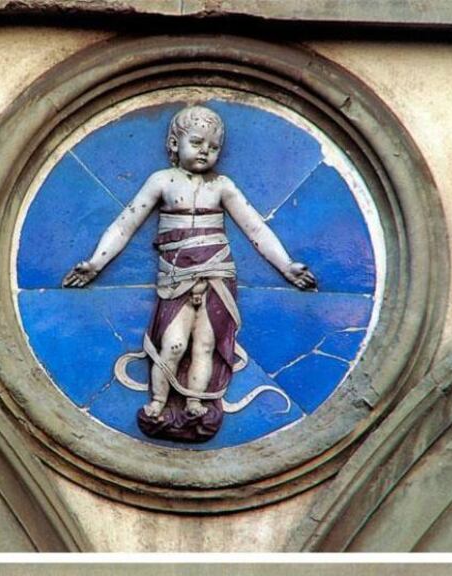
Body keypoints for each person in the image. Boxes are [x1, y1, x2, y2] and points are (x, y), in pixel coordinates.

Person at [63, 105, 315, 442]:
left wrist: (287, 266)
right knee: (175, 342)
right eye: (196, 142)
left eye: (212, 147)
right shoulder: (162, 181)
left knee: (205, 345)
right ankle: (158, 402)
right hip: (175, 278)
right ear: (173, 143)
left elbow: (255, 227)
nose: (204, 151)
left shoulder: (222, 186)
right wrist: (95, 263)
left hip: (217, 274)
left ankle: (195, 401)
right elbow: (126, 224)